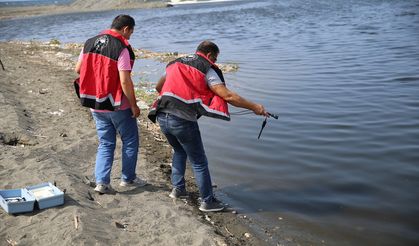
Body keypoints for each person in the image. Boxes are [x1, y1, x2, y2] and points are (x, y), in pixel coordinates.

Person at [148, 40, 268, 212]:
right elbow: (228, 96)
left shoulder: (176, 63)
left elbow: (159, 86)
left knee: (180, 151)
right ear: (210, 55)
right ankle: (207, 201)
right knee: (199, 162)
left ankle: (178, 190)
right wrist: (255, 107)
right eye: (215, 58)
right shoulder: (207, 68)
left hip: (161, 114)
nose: (215, 62)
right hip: (182, 119)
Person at [75, 14, 147, 194]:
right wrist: (134, 105)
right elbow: (125, 81)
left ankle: (102, 182)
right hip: (117, 104)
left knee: (106, 143)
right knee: (130, 141)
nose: (130, 36)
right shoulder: (122, 47)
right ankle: (128, 179)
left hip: (95, 103)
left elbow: (78, 69)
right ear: (125, 29)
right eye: (131, 32)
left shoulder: (89, 42)